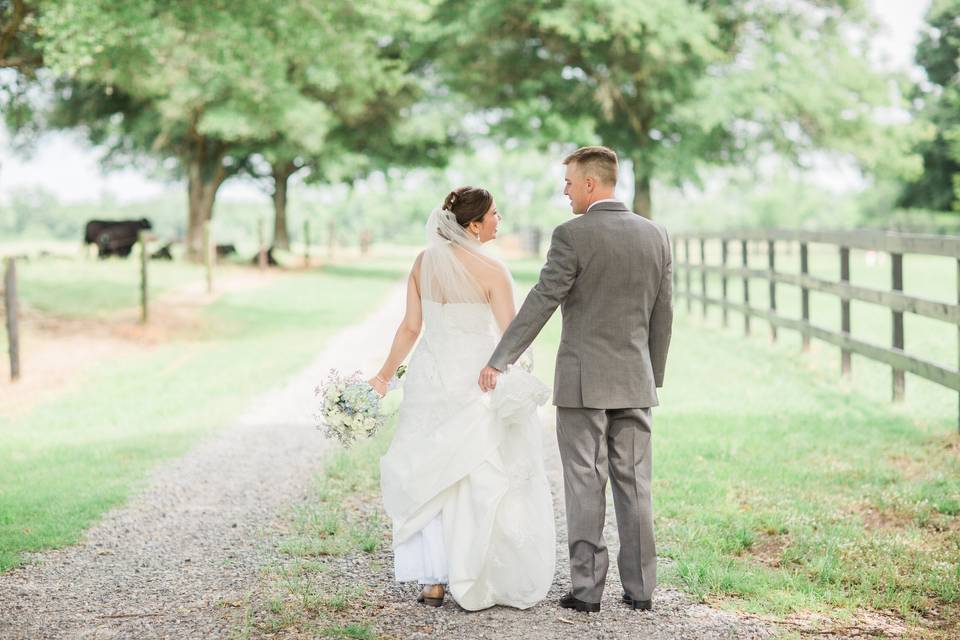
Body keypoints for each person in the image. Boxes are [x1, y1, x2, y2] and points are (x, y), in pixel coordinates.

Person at [479, 146, 674, 613]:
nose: (564, 191)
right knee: (636, 485)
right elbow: (663, 312)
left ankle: (587, 592)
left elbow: (543, 299)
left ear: (591, 184)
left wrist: (502, 356)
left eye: (568, 183)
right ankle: (642, 590)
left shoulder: (572, 235)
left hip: (584, 385)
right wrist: (653, 374)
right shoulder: (657, 235)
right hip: (635, 380)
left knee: (585, 483)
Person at [371, 186, 555, 611]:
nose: (499, 219)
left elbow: (410, 328)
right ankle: (473, 572)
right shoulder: (493, 271)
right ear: (473, 225)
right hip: (477, 380)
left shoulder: (423, 263)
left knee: (433, 473)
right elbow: (513, 336)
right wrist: (516, 371)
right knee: (474, 474)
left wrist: (384, 376)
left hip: (431, 378)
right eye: (494, 214)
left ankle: (434, 582)